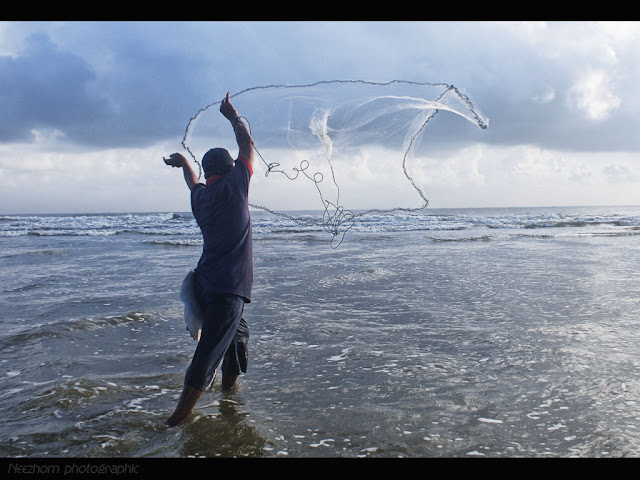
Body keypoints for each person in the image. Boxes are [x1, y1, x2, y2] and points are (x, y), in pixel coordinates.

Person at [163, 92, 254, 428]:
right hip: (227, 288)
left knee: (237, 339)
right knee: (208, 355)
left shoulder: (200, 198)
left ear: (206, 172)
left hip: (205, 283)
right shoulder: (236, 186)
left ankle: (229, 400)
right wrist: (231, 116)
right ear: (231, 170)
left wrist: (184, 165)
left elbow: (192, 182)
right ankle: (174, 421)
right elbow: (248, 144)